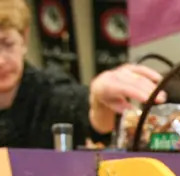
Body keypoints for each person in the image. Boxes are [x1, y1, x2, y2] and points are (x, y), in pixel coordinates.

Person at [0, 0, 166, 148]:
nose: (0, 61)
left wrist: (99, 101)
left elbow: (88, 116)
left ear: (24, 38)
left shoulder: (50, 92)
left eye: (7, 44)